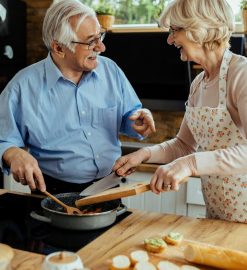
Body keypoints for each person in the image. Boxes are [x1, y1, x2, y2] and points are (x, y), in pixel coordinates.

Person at [0, 0, 155, 194]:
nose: (101, 48)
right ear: (59, 48)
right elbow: (3, 140)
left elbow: (129, 116)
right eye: (91, 41)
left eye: (100, 37)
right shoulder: (22, 87)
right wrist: (13, 153)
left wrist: (138, 121)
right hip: (53, 193)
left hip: (108, 187)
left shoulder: (111, 70)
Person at [113, 0, 247, 223]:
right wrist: (143, 155)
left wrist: (190, 164)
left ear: (199, 28)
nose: (169, 39)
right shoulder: (198, 84)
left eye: (175, 30)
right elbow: (183, 145)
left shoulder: (240, 75)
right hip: (218, 215)